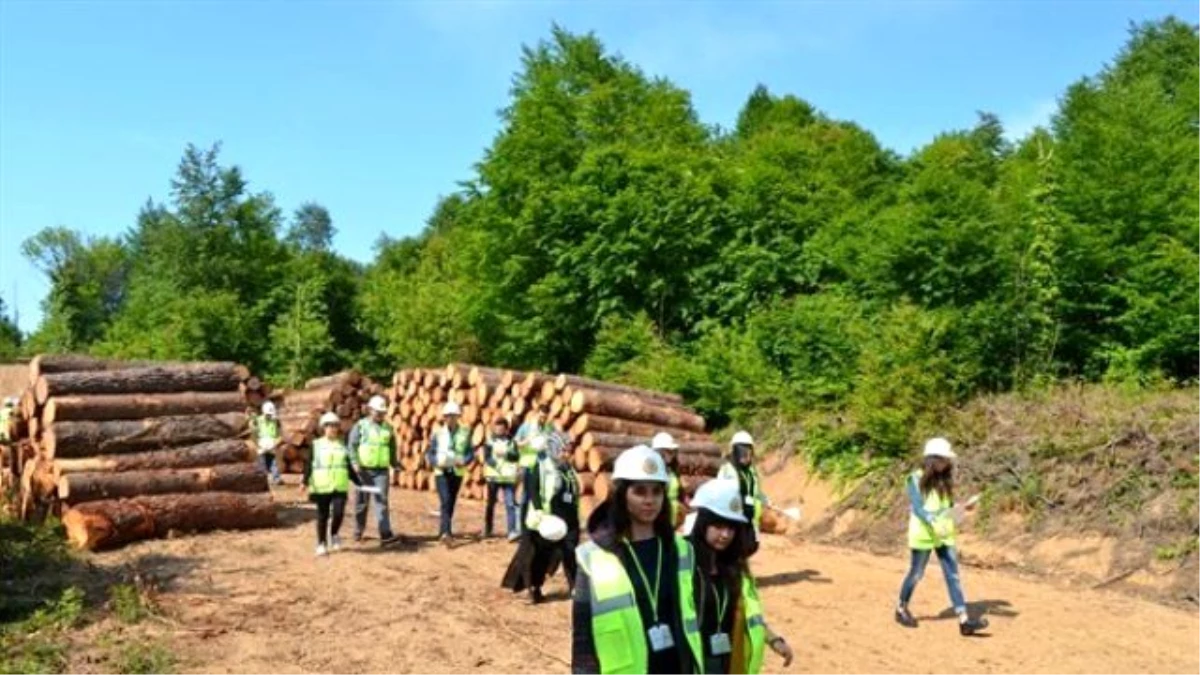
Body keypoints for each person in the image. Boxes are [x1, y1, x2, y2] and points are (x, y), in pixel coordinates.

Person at [572, 444, 704, 674]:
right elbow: (583, 638)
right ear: (622, 495)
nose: (649, 500)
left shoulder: (682, 550)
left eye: (657, 491)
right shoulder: (593, 556)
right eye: (640, 491)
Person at [686, 478, 794, 674]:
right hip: (689, 663)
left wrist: (773, 640)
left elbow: (745, 614)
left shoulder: (735, 567)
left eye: (731, 527)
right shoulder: (682, 561)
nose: (726, 535)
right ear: (703, 522)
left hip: (724, 663)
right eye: (718, 526)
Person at [895, 437, 989, 636]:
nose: (948, 463)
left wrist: (962, 508)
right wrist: (932, 520)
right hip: (923, 535)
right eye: (944, 460)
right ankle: (901, 608)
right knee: (916, 573)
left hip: (944, 535)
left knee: (953, 576)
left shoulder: (944, 481)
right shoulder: (914, 478)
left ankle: (964, 620)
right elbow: (919, 508)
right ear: (932, 460)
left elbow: (946, 507)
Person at [502, 431, 581, 603]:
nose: (566, 453)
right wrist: (539, 511)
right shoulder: (540, 464)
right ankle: (533, 588)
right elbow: (532, 489)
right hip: (543, 520)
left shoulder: (569, 469)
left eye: (568, 450)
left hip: (566, 519)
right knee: (537, 556)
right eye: (563, 449)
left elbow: (573, 493)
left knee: (570, 553)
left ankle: (575, 587)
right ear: (554, 448)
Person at [301, 412, 358, 556]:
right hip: (322, 486)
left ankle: (334, 534)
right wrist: (304, 481)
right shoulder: (316, 445)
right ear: (323, 428)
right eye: (329, 426)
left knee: (339, 513)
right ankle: (321, 543)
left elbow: (348, 466)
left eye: (335, 426)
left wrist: (358, 481)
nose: (332, 429)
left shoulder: (342, 445)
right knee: (322, 515)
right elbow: (309, 464)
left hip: (339, 485)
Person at [348, 395, 398, 544]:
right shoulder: (360, 426)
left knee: (382, 502)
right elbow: (352, 446)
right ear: (370, 410)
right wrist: (354, 462)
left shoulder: (388, 428)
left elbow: (392, 448)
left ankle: (385, 533)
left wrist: (394, 464)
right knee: (361, 503)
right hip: (363, 471)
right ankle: (358, 530)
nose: (381, 415)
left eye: (383, 412)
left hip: (381, 472)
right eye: (378, 412)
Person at [425, 401, 472, 543]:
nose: (451, 418)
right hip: (441, 471)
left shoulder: (465, 432)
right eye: (448, 416)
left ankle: (443, 530)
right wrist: (435, 462)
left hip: (457, 471)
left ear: (458, 417)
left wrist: (465, 461)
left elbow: (470, 452)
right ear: (444, 417)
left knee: (450, 502)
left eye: (454, 416)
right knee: (445, 500)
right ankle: (446, 533)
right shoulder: (438, 433)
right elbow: (430, 452)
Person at [718, 431, 768, 539]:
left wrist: (763, 498)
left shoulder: (751, 471)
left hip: (750, 523)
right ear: (734, 451)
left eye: (748, 452)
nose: (746, 456)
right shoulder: (728, 470)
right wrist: (746, 500)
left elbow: (755, 491)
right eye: (742, 452)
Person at [483, 416, 521, 540]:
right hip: (493, 477)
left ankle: (511, 531)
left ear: (506, 429)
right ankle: (488, 529)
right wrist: (495, 465)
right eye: (497, 429)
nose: (499, 431)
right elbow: (486, 457)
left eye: (501, 429)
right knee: (491, 504)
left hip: (508, 477)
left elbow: (516, 457)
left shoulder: (511, 442)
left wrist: (507, 454)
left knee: (510, 504)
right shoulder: (490, 441)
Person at [652, 431, 685, 526]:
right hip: (660, 519)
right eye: (667, 451)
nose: (670, 455)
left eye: (672, 452)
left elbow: (679, 495)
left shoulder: (672, 471)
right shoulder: (654, 473)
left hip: (673, 519)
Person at [515, 405, 555, 473]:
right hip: (527, 459)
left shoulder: (548, 429)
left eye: (545, 418)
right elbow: (515, 444)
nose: (542, 420)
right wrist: (526, 442)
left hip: (542, 463)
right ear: (536, 414)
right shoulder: (526, 426)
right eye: (541, 417)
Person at [253, 401, 284, 486]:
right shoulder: (258, 420)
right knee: (261, 463)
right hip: (261, 443)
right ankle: (262, 480)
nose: (269, 416)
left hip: (272, 443)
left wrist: (276, 442)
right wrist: (257, 443)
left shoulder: (276, 421)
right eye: (268, 414)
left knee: (273, 463)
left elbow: (280, 434)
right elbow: (254, 433)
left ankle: (276, 478)